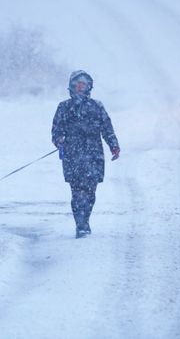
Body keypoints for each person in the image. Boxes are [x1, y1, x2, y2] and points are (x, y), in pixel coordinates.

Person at [52, 70, 120, 238]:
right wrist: (59, 139)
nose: (80, 86)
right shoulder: (64, 107)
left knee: (90, 192)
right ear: (72, 86)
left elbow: (107, 128)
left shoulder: (97, 106)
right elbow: (56, 130)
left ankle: (85, 219)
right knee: (77, 192)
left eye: (84, 83)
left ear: (89, 86)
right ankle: (80, 224)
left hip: (93, 154)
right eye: (77, 83)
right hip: (72, 155)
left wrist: (114, 145)